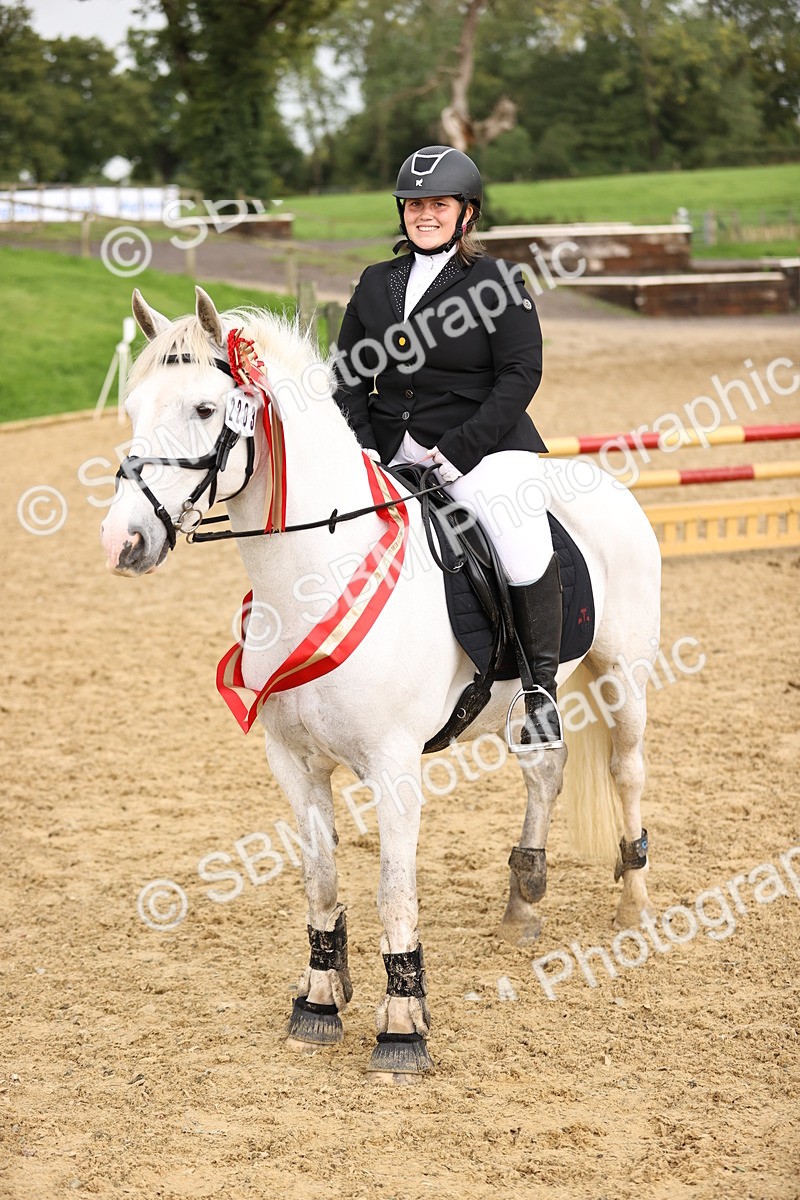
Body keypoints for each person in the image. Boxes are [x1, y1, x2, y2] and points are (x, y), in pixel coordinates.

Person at [333, 145, 562, 748]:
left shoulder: (497, 281)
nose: (424, 215)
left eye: (438, 204)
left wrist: (462, 448)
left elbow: (521, 373)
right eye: (414, 205)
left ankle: (539, 692)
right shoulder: (375, 282)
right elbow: (348, 375)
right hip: (389, 449)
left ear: (467, 213)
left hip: (482, 447)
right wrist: (365, 447)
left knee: (518, 538)